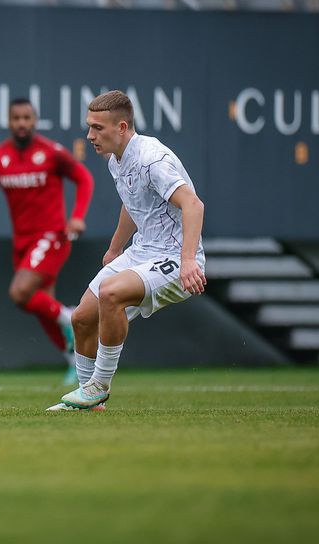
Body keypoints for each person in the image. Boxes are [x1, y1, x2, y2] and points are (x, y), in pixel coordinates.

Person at [49, 90, 206, 412]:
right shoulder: (115, 159)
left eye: (98, 128)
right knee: (81, 318)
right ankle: (87, 402)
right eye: (89, 127)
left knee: (111, 293)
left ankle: (99, 386)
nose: (90, 135)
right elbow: (131, 203)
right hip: (142, 251)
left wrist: (188, 261)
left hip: (175, 256)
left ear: (122, 127)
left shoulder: (152, 159)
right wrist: (115, 248)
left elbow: (193, 204)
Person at [0, 98, 94, 385]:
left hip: (52, 236)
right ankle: (77, 361)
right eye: (16, 118)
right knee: (39, 305)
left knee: (20, 293)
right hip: (22, 242)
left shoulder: (52, 152)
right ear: (9, 122)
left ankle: (70, 316)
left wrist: (78, 216)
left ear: (35, 121)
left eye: (27, 118)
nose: (21, 123)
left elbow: (84, 177)